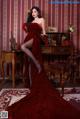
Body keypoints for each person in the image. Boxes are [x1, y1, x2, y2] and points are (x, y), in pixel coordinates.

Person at [7, 6, 80, 119]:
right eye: (32, 12)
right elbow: (27, 30)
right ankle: (32, 86)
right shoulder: (30, 21)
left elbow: (44, 33)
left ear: (38, 12)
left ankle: (37, 63)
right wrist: (26, 23)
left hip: (35, 39)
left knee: (23, 47)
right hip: (29, 38)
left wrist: (44, 39)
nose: (33, 13)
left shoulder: (42, 20)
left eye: (35, 11)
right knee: (29, 63)